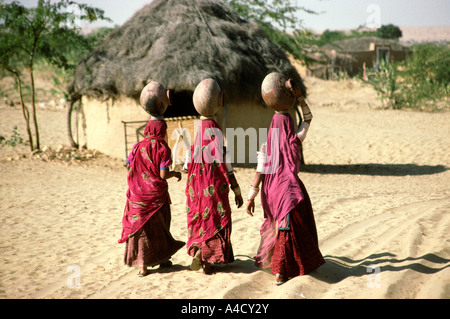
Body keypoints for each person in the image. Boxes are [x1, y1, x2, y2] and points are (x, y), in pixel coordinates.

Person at [246, 73, 325, 285]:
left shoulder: (266, 146)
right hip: (287, 190)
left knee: (276, 225)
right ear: (289, 125)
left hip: (270, 191)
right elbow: (308, 118)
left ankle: (278, 268)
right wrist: (299, 97)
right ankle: (282, 271)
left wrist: (251, 196)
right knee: (287, 227)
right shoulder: (295, 138)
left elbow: (259, 171)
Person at [118, 82, 185, 277]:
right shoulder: (163, 149)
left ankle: (142, 267)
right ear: (162, 129)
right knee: (160, 228)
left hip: (137, 198)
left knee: (141, 231)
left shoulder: (137, 147)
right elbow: (163, 174)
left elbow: (129, 165)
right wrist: (175, 174)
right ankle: (162, 259)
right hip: (156, 198)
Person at [184, 78, 243, 274]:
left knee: (202, 219)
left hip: (197, 188)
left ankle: (202, 257)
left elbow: (188, 161)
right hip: (214, 187)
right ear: (219, 100)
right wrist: (236, 189)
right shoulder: (215, 130)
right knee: (217, 218)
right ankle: (205, 256)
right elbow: (225, 163)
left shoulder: (197, 130)